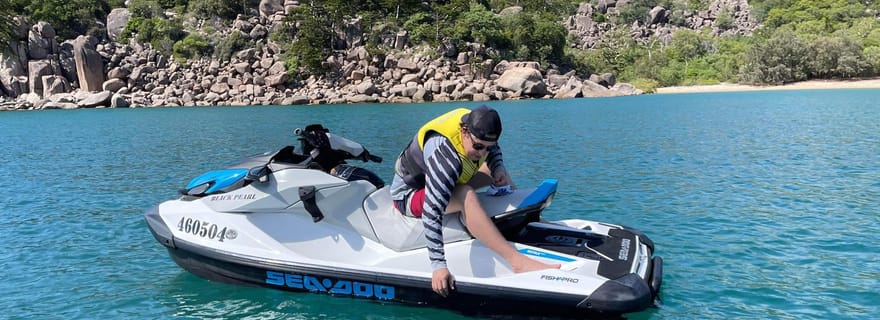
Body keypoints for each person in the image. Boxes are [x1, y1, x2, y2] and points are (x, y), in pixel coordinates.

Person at [391, 105, 560, 297]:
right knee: (465, 194)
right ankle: (517, 262)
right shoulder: (444, 156)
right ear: (464, 131)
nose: (482, 153)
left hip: (450, 179)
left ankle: (529, 222)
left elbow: (492, 149)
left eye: (488, 148)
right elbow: (432, 212)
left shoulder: (478, 128)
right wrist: (438, 266)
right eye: (478, 147)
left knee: (496, 172)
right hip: (410, 195)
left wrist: (498, 168)